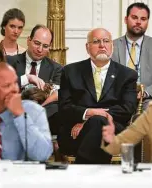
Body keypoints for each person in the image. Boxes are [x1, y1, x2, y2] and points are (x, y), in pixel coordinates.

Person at [58, 28, 137, 164]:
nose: (102, 45)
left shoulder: (127, 75)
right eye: (96, 41)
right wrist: (89, 113)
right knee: (97, 124)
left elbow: (127, 108)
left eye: (106, 41)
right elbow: (64, 107)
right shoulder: (70, 71)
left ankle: (81, 174)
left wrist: (92, 118)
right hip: (75, 134)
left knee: (98, 123)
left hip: (112, 131)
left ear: (112, 46)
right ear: (87, 47)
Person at [112, 2, 152, 103]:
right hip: (118, 100)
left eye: (143, 19)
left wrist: (146, 92)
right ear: (126, 20)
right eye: (134, 17)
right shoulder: (112, 46)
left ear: (147, 22)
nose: (138, 22)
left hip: (148, 99)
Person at [7, 24, 62, 135]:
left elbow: (56, 99)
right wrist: (26, 78)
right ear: (28, 40)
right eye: (37, 43)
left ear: (49, 47)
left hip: (44, 117)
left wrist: (37, 111)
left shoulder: (56, 69)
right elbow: (3, 88)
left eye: (45, 46)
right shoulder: (9, 62)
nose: (40, 49)